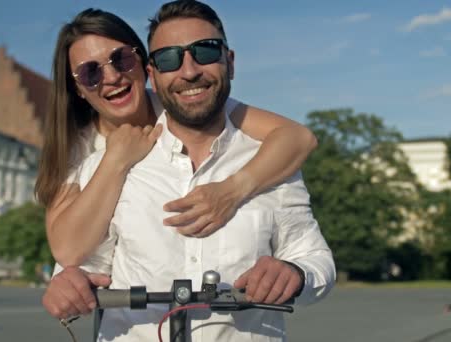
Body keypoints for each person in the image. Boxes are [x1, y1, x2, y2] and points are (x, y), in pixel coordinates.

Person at [42, 1, 335, 341]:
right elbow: (76, 255)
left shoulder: (267, 156)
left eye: (206, 51)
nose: (189, 70)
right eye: (168, 58)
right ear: (156, 72)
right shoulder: (89, 158)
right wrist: (65, 280)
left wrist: (294, 272)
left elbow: (312, 253)